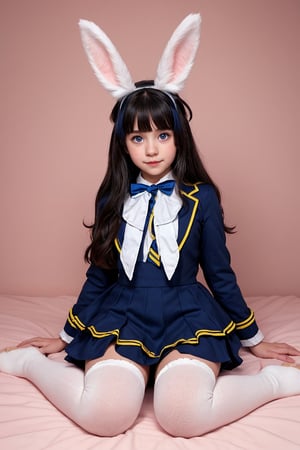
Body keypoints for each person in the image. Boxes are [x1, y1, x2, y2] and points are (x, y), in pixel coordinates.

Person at [1, 14, 300, 438]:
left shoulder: (202, 198)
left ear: (179, 137)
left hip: (187, 314)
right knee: (105, 417)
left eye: (162, 135)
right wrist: (65, 337)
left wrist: (253, 338)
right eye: (138, 138)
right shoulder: (112, 198)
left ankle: (273, 384)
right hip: (123, 314)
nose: (152, 148)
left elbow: (219, 273)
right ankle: (29, 366)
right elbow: (100, 274)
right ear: (123, 144)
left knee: (182, 417)